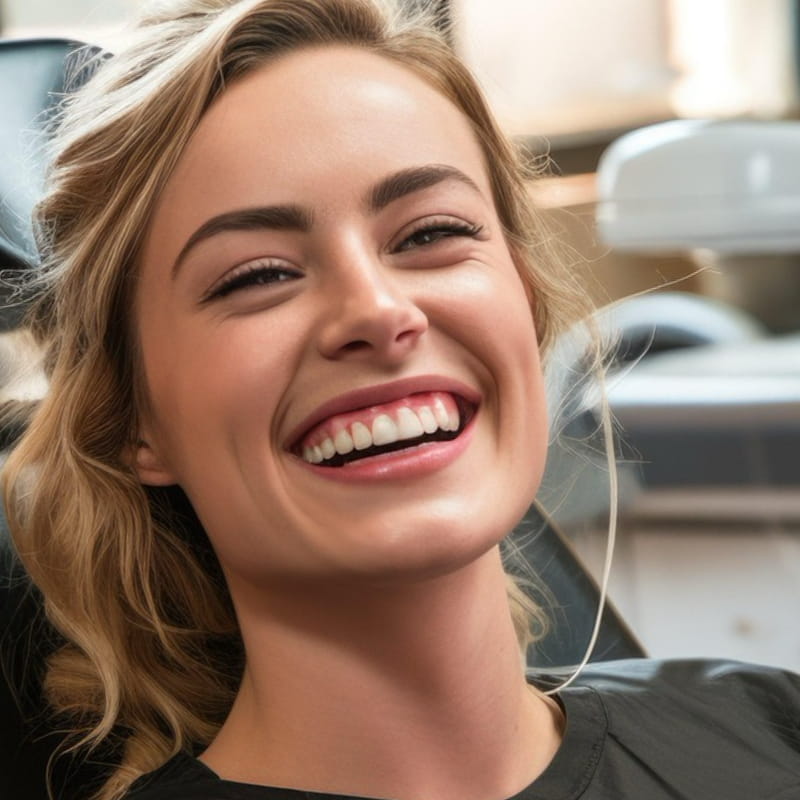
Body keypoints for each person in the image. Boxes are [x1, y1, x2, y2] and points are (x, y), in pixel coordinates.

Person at [2, 1, 799, 799]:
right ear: (134, 418)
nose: (380, 312)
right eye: (258, 275)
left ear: (522, 298)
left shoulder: (771, 730)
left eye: (428, 234)